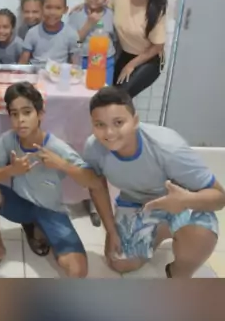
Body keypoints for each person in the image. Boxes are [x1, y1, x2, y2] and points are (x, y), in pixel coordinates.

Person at [0, 82, 110, 278]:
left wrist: (62, 164)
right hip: (20, 205)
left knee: (78, 270)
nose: (20, 120)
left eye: (27, 112)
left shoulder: (56, 147)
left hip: (50, 211)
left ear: (40, 114)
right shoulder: (8, 140)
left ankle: (37, 227)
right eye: (14, 114)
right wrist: (10, 170)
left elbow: (94, 182)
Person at [84, 87, 224, 278]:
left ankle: (179, 273)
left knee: (199, 236)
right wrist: (111, 230)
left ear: (135, 121)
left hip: (179, 200)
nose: (109, 132)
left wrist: (186, 200)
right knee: (119, 262)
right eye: (100, 124)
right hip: (135, 202)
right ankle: (159, 230)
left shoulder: (168, 147)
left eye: (118, 122)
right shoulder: (94, 148)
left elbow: (219, 197)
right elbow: (97, 187)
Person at [111, 0, 168, 96]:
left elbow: (158, 46)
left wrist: (132, 65)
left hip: (149, 59)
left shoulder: (156, 10)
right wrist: (85, 6)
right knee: (110, 94)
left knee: (120, 96)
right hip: (125, 54)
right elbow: (106, 8)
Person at [68, 0, 116, 86]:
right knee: (82, 89)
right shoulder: (76, 14)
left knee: (103, 91)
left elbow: (115, 39)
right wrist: (89, 24)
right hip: (83, 59)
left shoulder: (111, 14)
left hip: (106, 61)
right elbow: (74, 42)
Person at [19, 0, 79, 65]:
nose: (52, 12)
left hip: (59, 71)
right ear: (42, 8)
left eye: (58, 8)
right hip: (36, 71)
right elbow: (23, 62)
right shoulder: (32, 33)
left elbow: (76, 63)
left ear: (65, 10)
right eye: (48, 7)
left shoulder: (72, 34)